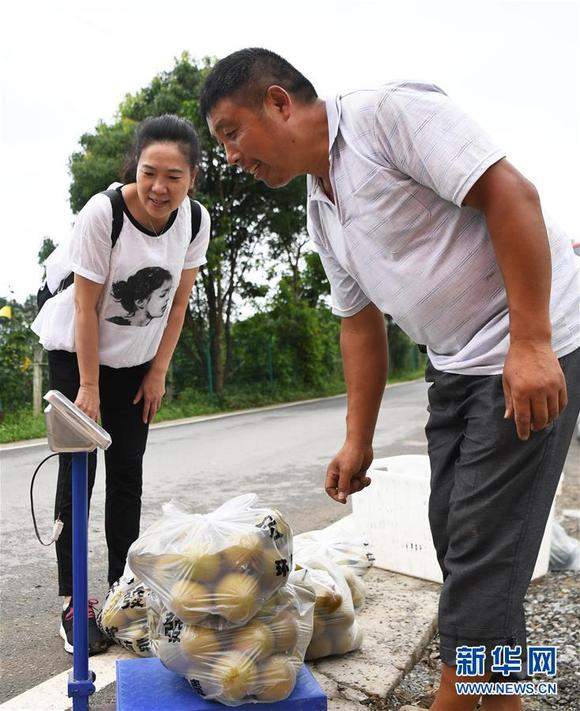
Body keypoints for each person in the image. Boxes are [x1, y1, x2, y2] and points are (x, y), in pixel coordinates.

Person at [199, 49, 580, 710]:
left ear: (279, 102)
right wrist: (358, 440)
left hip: (528, 346)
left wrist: (532, 340)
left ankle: (462, 694)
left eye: (232, 132)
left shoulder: (385, 117)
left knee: (482, 561)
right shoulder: (322, 207)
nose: (231, 156)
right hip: (456, 367)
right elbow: (360, 325)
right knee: (461, 546)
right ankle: (510, 699)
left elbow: (510, 192)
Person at [31, 114, 211, 655]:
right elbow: (85, 305)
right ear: (136, 166)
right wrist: (87, 386)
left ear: (192, 179)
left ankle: (120, 594)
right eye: (150, 171)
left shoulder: (195, 222)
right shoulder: (104, 213)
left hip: (136, 364)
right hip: (74, 356)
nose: (159, 187)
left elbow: (179, 302)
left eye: (173, 177)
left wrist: (157, 371)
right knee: (78, 476)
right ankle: (72, 601)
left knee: (127, 476)